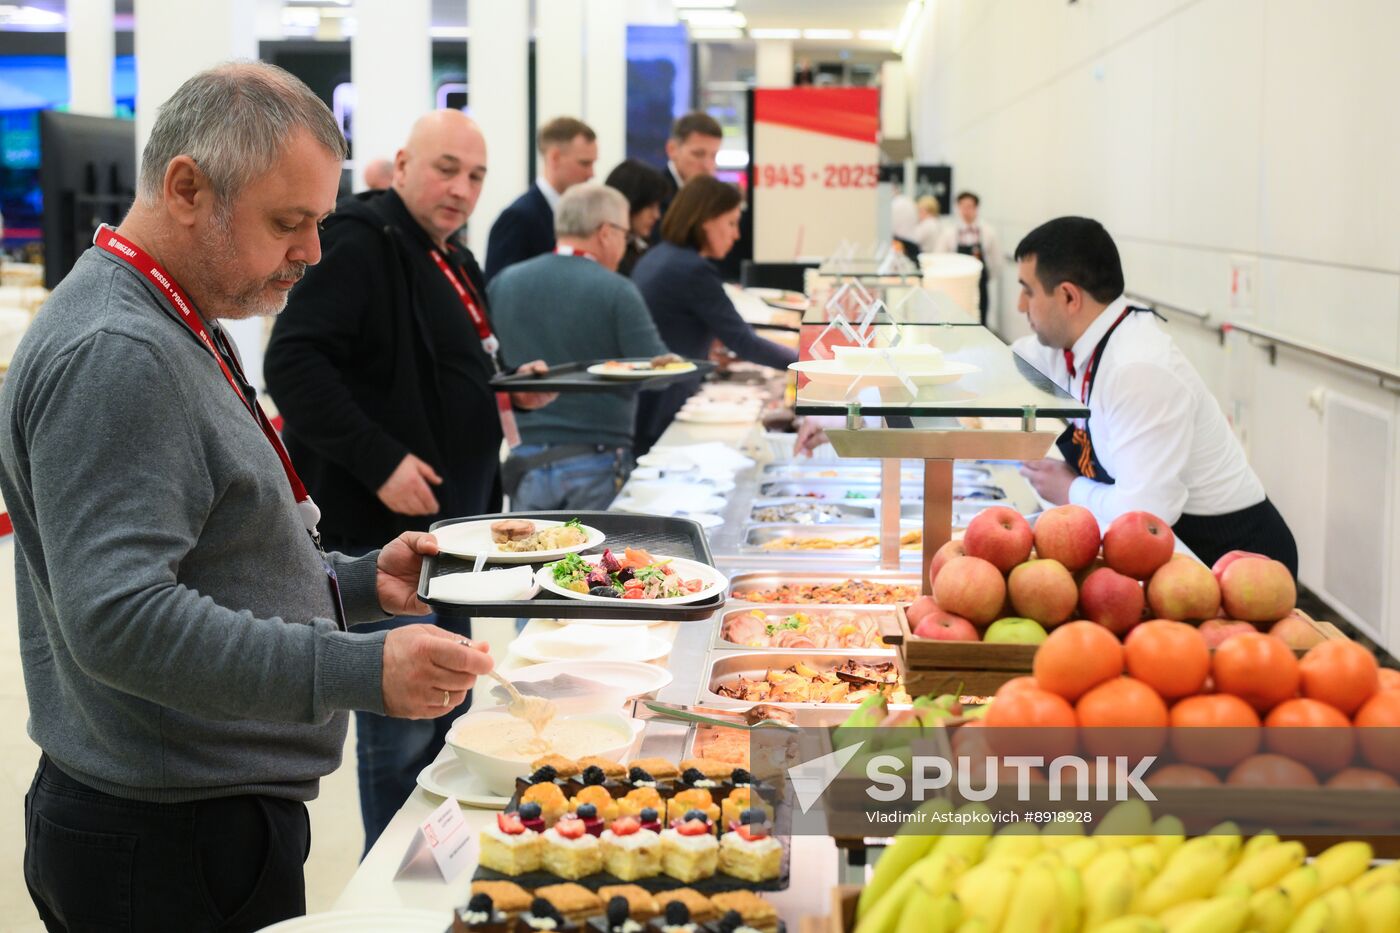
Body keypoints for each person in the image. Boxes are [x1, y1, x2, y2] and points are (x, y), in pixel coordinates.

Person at [1, 62, 494, 932]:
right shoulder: (121, 350)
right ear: (188, 187)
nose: (310, 252)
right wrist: (360, 667)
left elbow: (212, 549)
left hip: (195, 812)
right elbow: (120, 619)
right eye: (288, 223)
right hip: (166, 837)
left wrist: (354, 580)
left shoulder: (175, 316)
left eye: (317, 223)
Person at [264, 109, 553, 852]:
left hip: (454, 538)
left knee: (446, 714)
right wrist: (379, 457)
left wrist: (508, 384)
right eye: (447, 168)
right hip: (384, 544)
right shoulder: (362, 241)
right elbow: (294, 364)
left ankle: (435, 868)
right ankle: (389, 881)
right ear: (401, 164)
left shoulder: (449, 254)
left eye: (477, 176)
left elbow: (452, 362)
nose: (462, 188)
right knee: (400, 735)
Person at [1011, 216, 1299, 575]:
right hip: (1166, 553)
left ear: (1069, 296)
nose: (1021, 305)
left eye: (1028, 290)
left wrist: (1070, 489)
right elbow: (1007, 362)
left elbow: (1145, 513)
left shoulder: (1139, 369)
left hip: (1232, 557)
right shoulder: (1070, 343)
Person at [490, 184, 678, 509]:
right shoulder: (617, 290)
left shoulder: (503, 282)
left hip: (524, 460)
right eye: (625, 235)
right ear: (606, 233)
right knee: (595, 560)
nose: (625, 246)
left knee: (528, 559)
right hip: (598, 461)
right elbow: (658, 373)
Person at [631, 175, 798, 454]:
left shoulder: (660, 256)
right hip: (664, 404)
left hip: (646, 400)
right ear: (706, 220)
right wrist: (807, 363)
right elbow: (744, 341)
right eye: (731, 223)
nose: (736, 234)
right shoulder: (691, 269)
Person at [484, 116, 597, 281]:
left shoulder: (579, 216)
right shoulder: (517, 218)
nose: (591, 174)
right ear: (554, 158)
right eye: (584, 163)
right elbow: (501, 292)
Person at [653, 111, 723, 241]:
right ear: (672, 149)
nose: (707, 166)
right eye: (698, 154)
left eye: (714, 156)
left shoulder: (715, 200)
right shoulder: (654, 196)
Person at [936, 191, 1000, 323]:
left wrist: (986, 276)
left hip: (979, 283)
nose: (966, 211)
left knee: (981, 316)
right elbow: (939, 256)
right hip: (956, 283)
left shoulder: (988, 232)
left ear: (976, 208)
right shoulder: (949, 232)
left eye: (969, 207)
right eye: (962, 207)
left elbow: (996, 260)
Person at [604, 158, 668, 276]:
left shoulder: (646, 247)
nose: (657, 215)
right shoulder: (606, 253)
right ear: (631, 202)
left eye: (658, 206)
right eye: (650, 206)